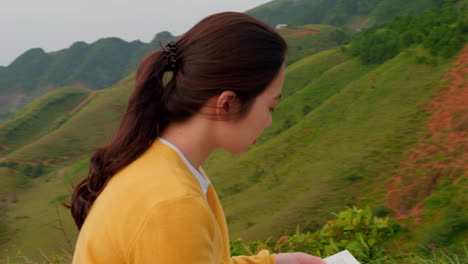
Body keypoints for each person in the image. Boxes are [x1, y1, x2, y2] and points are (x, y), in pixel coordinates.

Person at [69, 12, 325, 264]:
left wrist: (277, 263)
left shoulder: (164, 166)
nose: (269, 122)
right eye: (270, 107)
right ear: (227, 104)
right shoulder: (174, 203)